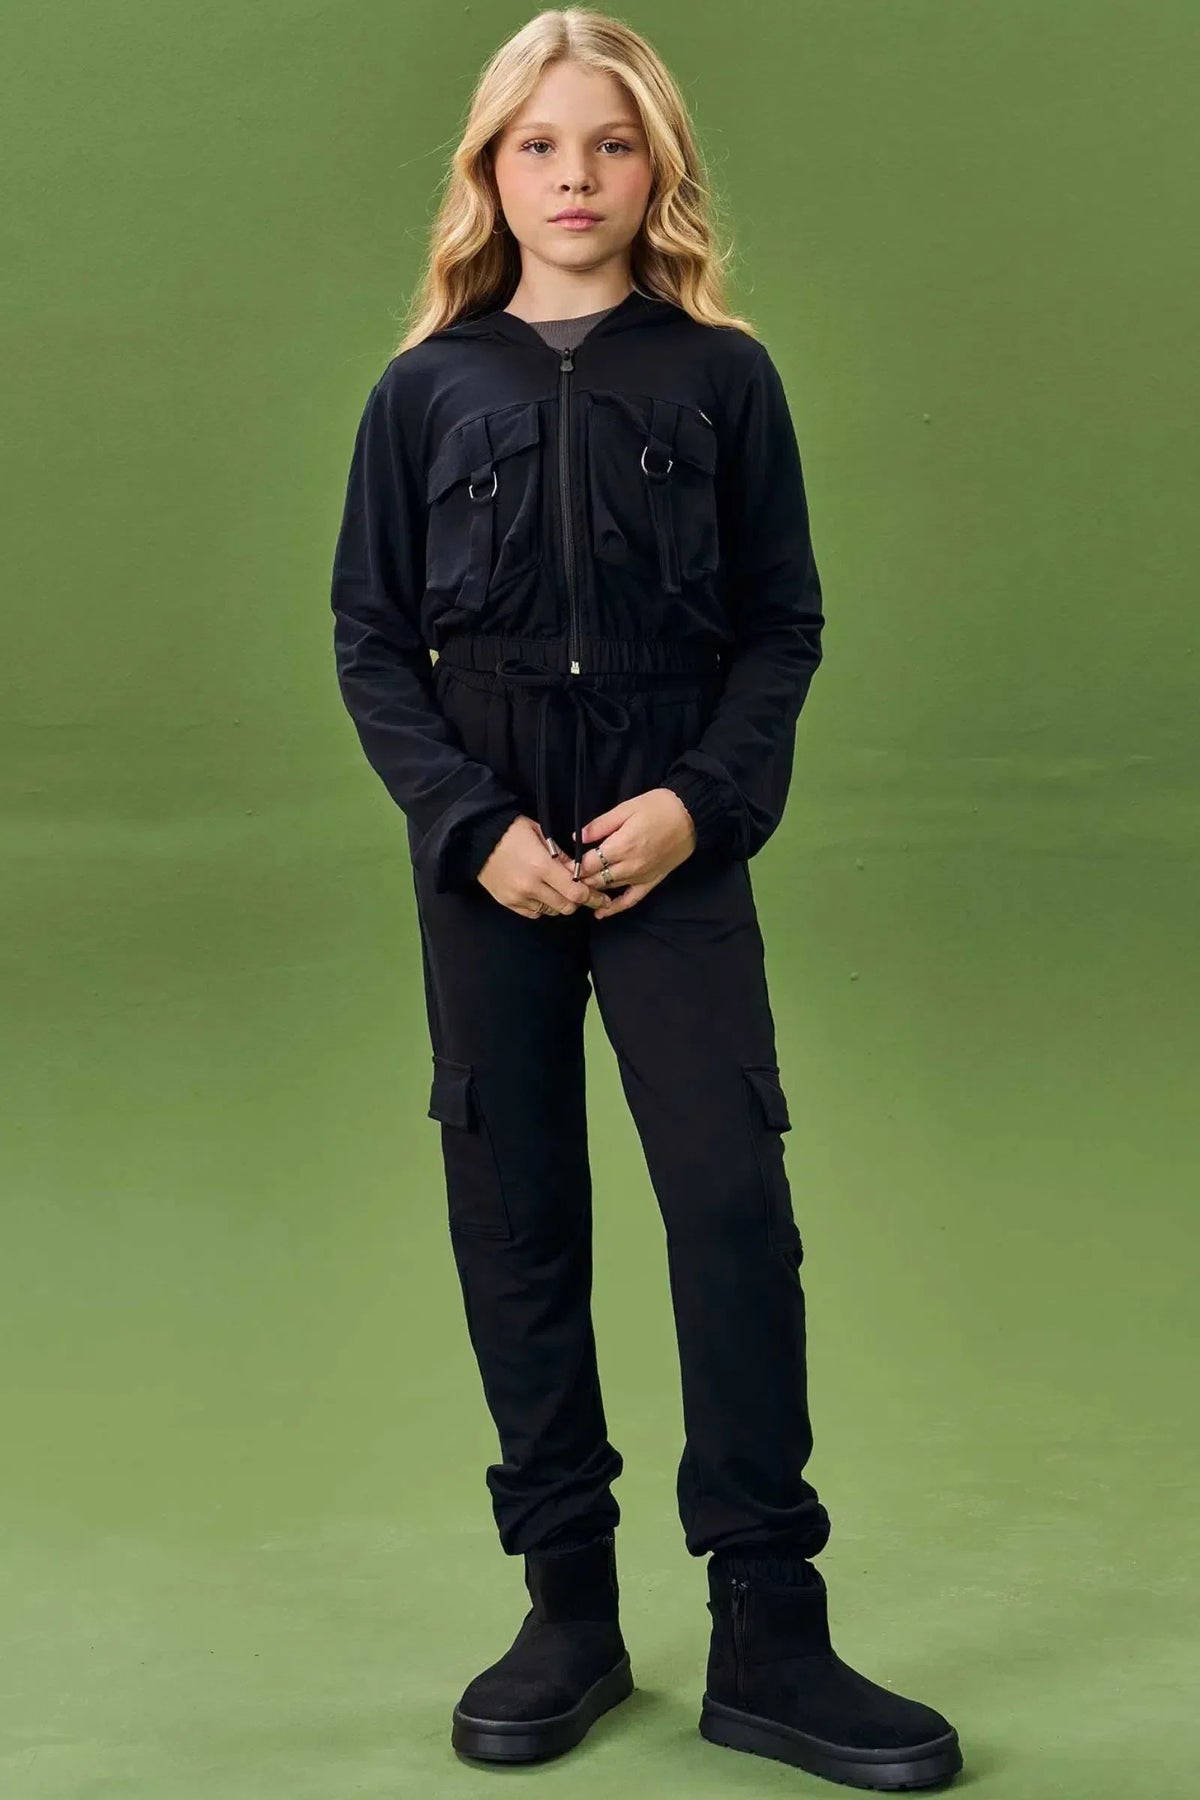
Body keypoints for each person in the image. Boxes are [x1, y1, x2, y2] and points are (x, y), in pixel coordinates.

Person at [329, 9, 962, 1791]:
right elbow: (370, 640)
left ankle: (771, 1625)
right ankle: (569, 1608)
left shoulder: (723, 377)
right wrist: (473, 829)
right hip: (494, 865)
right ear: (490, 170)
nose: (576, 176)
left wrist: (700, 805)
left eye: (610, 143)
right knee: (516, 1213)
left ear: (657, 166)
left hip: (670, 845)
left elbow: (784, 626)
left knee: (732, 1206)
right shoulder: (424, 390)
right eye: (539, 144)